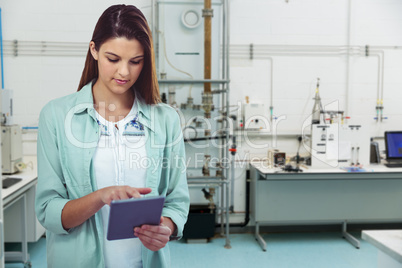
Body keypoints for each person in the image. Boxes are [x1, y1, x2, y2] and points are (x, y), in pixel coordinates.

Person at [35, 4, 189, 268]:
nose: (124, 73)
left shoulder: (166, 119)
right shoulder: (56, 116)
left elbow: (177, 199)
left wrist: (166, 227)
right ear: (94, 50)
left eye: (136, 61)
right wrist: (99, 197)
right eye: (113, 59)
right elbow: (48, 210)